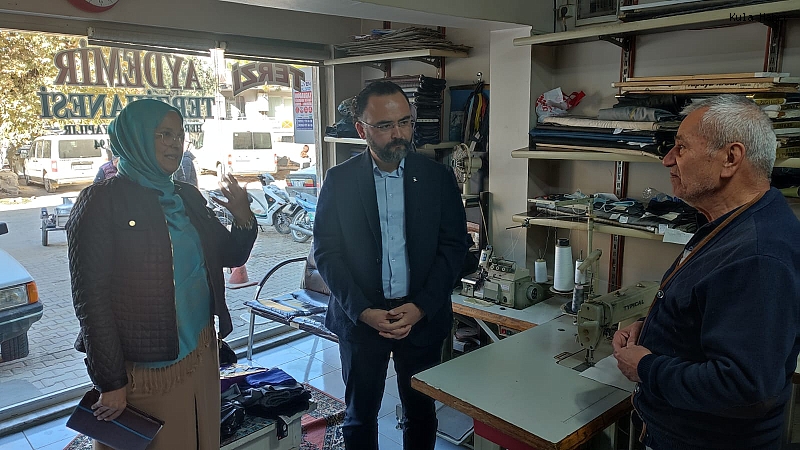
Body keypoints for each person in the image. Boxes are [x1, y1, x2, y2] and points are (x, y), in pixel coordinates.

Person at [66, 99, 257, 449]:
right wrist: (111, 382)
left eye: (180, 135)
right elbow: (91, 302)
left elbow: (230, 256)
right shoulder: (100, 202)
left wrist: (243, 217)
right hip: (146, 370)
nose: (175, 143)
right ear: (135, 138)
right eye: (163, 134)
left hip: (200, 352)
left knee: (201, 437)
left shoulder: (186, 195)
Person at [613, 94, 800, 450]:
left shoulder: (758, 254)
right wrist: (654, 330)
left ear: (730, 158)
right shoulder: (731, 223)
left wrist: (647, 368)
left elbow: (744, 386)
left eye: (681, 147)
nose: (668, 159)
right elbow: (715, 314)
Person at [313, 80, 468, 450]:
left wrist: (421, 307)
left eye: (405, 122)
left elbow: (454, 247)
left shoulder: (437, 178)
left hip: (421, 317)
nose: (398, 134)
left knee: (421, 413)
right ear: (361, 130)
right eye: (384, 125)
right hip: (362, 321)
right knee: (359, 416)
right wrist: (363, 311)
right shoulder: (340, 181)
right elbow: (327, 253)